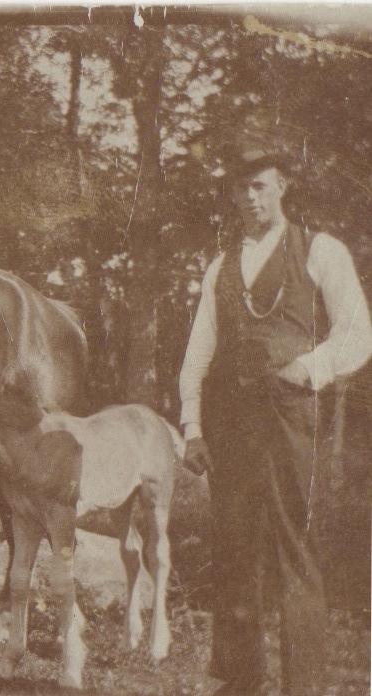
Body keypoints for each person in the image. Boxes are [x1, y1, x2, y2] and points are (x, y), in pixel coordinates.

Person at [179, 141, 372, 696]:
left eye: (260, 185)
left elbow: (357, 333)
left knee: (296, 551)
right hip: (230, 425)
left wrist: (309, 368)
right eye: (240, 187)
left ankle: (303, 687)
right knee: (234, 549)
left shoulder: (320, 250)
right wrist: (192, 427)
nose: (249, 197)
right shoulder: (221, 266)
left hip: (292, 422)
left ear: (283, 185)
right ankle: (239, 682)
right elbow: (197, 355)